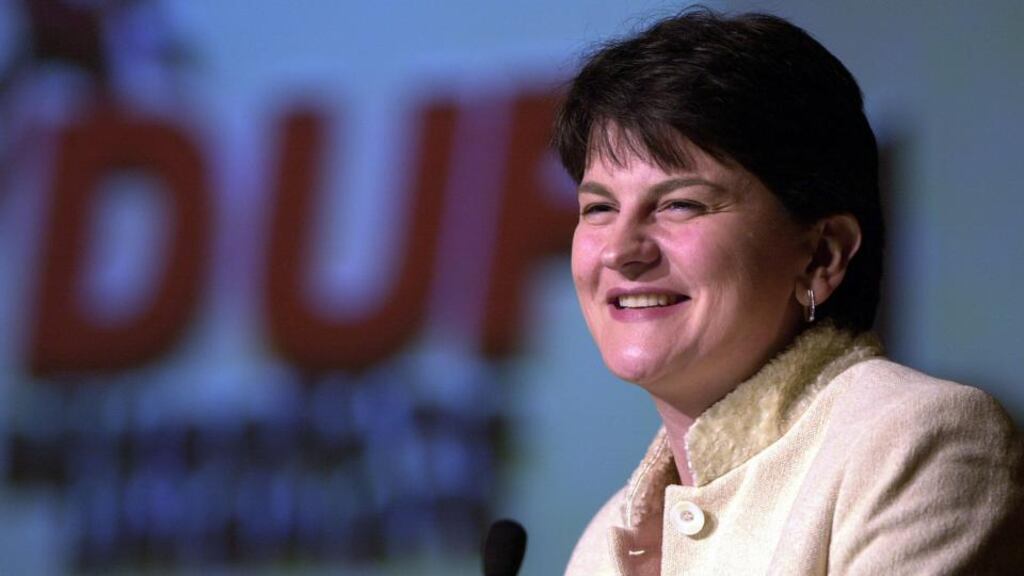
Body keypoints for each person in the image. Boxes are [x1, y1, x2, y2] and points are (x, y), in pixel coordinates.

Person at [553, 8, 1023, 575]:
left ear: (822, 254)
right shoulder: (603, 543)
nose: (619, 250)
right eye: (599, 208)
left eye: (680, 204)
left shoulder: (917, 441)